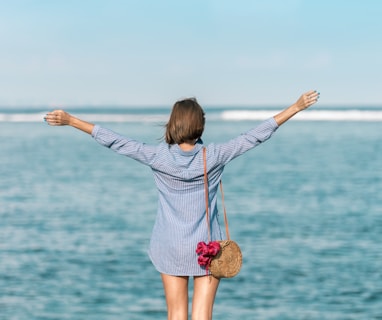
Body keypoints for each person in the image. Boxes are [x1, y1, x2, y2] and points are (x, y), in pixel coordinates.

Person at [44, 90, 319, 320]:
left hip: (170, 245)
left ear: (173, 123)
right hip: (207, 247)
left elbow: (115, 141)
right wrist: (295, 107)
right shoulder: (215, 155)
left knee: (176, 314)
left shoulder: (156, 156)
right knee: (202, 315)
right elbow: (255, 135)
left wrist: (71, 120)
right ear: (200, 125)